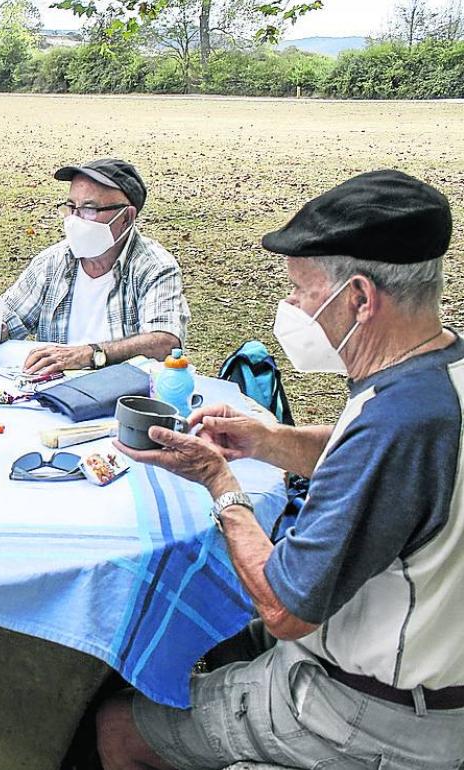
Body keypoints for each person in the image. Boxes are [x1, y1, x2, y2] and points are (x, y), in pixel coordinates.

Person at [99, 170, 464, 770]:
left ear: (360, 299)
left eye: (300, 290)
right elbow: (370, 460)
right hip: (426, 679)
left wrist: (222, 485)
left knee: (119, 724)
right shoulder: (437, 373)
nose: (290, 307)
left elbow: (284, 609)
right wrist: (268, 440)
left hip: (366, 716)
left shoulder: (398, 423)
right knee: (215, 632)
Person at [0, 159, 189, 375]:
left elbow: (165, 342)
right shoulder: (54, 261)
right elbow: (10, 319)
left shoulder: (154, 267)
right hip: (51, 395)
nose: (75, 219)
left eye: (89, 209)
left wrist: (91, 354)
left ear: (126, 218)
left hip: (123, 399)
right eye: (71, 207)